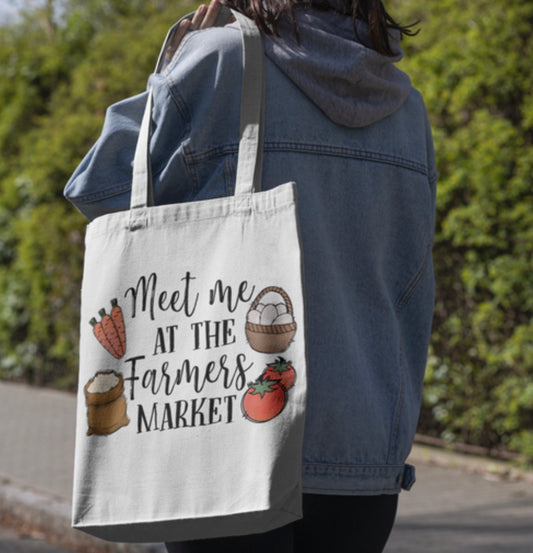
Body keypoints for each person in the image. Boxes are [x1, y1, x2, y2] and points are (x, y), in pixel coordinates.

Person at [65, 1, 436, 551]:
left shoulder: (220, 61)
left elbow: (101, 189)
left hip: (226, 441)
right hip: (363, 453)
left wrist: (173, 67)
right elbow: (410, 285)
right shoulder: (406, 108)